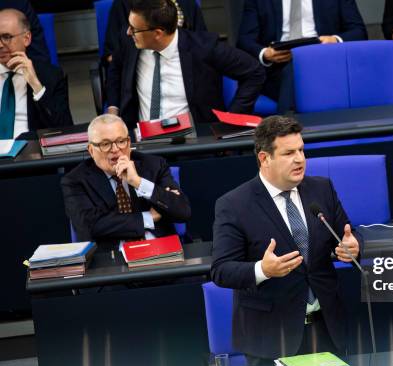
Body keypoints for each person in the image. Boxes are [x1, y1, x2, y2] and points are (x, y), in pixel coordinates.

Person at [211, 115, 360, 362]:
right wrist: (263, 269)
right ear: (264, 158)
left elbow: (346, 234)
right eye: (289, 153)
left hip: (328, 330)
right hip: (271, 338)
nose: (300, 159)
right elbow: (221, 270)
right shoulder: (233, 205)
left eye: (301, 150)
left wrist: (352, 246)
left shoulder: (322, 189)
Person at [106, 0, 265, 131]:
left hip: (192, 139)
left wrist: (233, 118)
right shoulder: (129, 42)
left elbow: (254, 72)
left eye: (134, 29)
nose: (128, 32)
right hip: (142, 139)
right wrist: (114, 109)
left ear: (158, 33)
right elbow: (115, 68)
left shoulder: (204, 47)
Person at [61, 114, 191, 251]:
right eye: (105, 144)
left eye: (121, 141)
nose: (115, 149)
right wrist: (148, 218)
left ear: (129, 143)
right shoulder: (75, 181)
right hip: (111, 260)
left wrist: (139, 183)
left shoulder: (154, 165)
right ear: (91, 150)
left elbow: (183, 211)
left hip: (160, 251)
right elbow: (89, 227)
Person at [237, 0, 367, 113]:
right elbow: (244, 40)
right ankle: (288, 129)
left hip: (325, 62)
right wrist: (266, 53)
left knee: (298, 69)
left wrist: (334, 40)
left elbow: (359, 32)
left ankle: (284, 130)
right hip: (278, 67)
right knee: (294, 68)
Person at [0, 8, 72, 139]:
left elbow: (64, 129)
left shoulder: (50, 76)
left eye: (6, 37)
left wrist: (36, 86)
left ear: (26, 38)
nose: (0, 45)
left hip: (30, 152)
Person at [103, 0, 207, 63]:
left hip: (184, 66)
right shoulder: (123, 4)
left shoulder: (187, 3)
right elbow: (111, 56)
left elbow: (203, 44)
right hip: (139, 67)